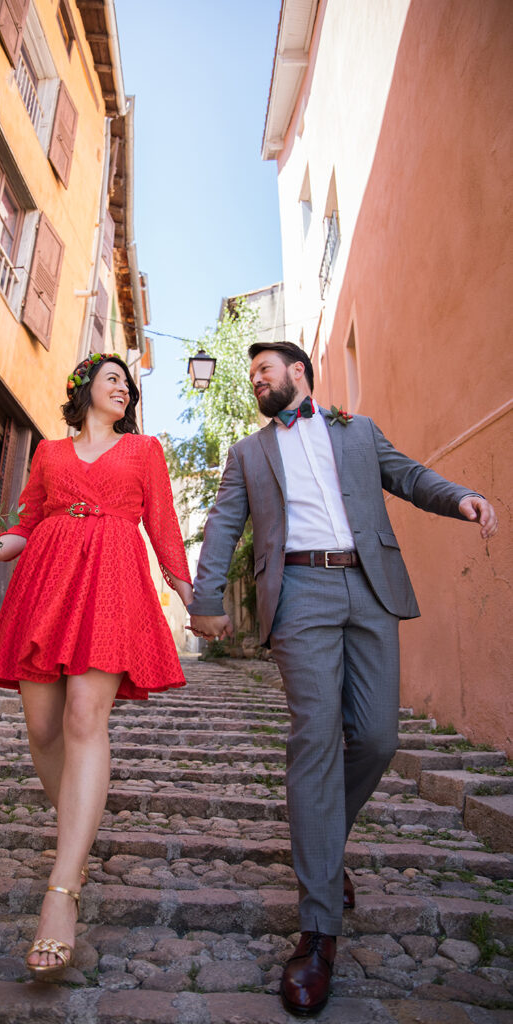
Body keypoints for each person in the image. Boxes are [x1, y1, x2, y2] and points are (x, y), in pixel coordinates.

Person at [188, 341, 497, 1016]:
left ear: (297, 373)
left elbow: (410, 477)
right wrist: (205, 600)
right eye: (251, 377)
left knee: (379, 737)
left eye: (263, 372)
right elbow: (222, 527)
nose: (255, 383)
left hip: (369, 584)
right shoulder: (248, 454)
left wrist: (461, 497)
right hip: (297, 591)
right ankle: (318, 929)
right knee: (316, 736)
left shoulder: (357, 431)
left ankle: (324, 849)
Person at [0, 352, 193, 981]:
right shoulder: (47, 453)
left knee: (81, 718)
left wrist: (187, 591)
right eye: (112, 378)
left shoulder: (145, 449)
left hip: (112, 579)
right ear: (83, 391)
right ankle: (80, 828)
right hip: (46, 581)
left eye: (128, 383)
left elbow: (164, 524)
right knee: (41, 731)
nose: (123, 387)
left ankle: (62, 892)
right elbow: (26, 523)